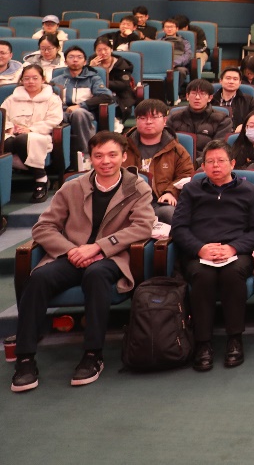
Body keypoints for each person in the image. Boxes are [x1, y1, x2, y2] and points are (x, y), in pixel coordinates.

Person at [10, 131, 155, 392]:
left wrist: (98, 247)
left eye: (112, 155)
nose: (105, 161)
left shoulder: (137, 187)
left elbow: (143, 227)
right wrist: (71, 251)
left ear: (124, 156)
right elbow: (43, 227)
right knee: (39, 278)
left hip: (111, 256)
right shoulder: (72, 187)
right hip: (72, 255)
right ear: (90, 158)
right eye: (98, 156)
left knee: (96, 275)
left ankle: (92, 354)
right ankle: (25, 358)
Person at [169, 138, 254, 372]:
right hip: (200, 252)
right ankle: (203, 342)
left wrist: (233, 248)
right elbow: (179, 228)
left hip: (236, 251)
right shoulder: (191, 190)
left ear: (232, 163)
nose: (215, 166)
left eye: (221, 161)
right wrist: (200, 248)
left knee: (232, 274)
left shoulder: (250, 191)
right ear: (202, 166)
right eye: (210, 162)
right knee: (203, 275)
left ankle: (235, 338)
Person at [123, 99, 195, 223]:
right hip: (127, 202)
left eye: (154, 117)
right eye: (143, 118)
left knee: (170, 213)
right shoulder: (122, 147)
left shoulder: (176, 149)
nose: (148, 122)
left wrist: (171, 193)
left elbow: (186, 175)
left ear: (164, 121)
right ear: (136, 121)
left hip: (160, 202)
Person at [2, 64, 62, 201]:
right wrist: (11, 129)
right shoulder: (12, 99)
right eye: (26, 78)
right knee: (9, 141)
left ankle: (40, 180)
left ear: (43, 79)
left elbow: (54, 120)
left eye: (35, 78)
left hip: (40, 135)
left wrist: (31, 129)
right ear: (21, 80)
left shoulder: (52, 99)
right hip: (13, 134)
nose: (30, 82)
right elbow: (3, 117)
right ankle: (41, 177)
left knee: (23, 139)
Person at [49, 44, 112, 157]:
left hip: (85, 113)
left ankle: (87, 155)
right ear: (65, 61)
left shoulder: (93, 79)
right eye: (71, 57)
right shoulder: (56, 81)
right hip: (61, 113)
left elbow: (106, 96)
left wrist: (81, 105)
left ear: (85, 62)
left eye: (79, 57)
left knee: (78, 113)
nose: (75, 60)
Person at [167, 79, 233, 160]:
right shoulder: (174, 117)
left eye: (202, 94)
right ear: (187, 96)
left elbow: (217, 148)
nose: (197, 97)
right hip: (177, 160)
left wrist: (198, 162)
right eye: (194, 93)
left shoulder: (222, 120)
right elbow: (166, 143)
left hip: (207, 162)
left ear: (210, 98)